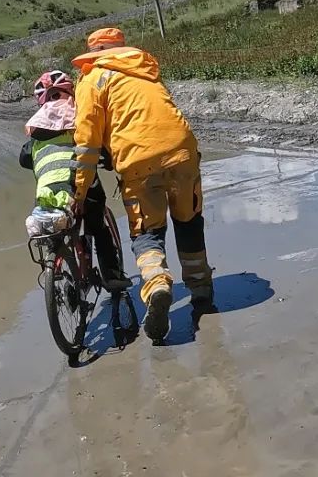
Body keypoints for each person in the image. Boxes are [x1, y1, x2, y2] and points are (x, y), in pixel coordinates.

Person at [71, 28, 214, 342]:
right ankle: (201, 289)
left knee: (147, 234)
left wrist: (79, 193)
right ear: (122, 49)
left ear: (93, 54)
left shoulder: (92, 80)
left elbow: (86, 144)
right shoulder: (145, 71)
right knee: (189, 221)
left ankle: (157, 284)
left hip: (138, 162)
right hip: (181, 150)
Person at [19, 70, 129, 292]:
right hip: (81, 187)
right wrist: (107, 161)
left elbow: (24, 159)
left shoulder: (37, 130)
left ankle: (59, 265)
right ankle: (111, 275)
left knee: (54, 230)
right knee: (97, 225)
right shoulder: (78, 116)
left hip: (48, 194)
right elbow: (97, 145)